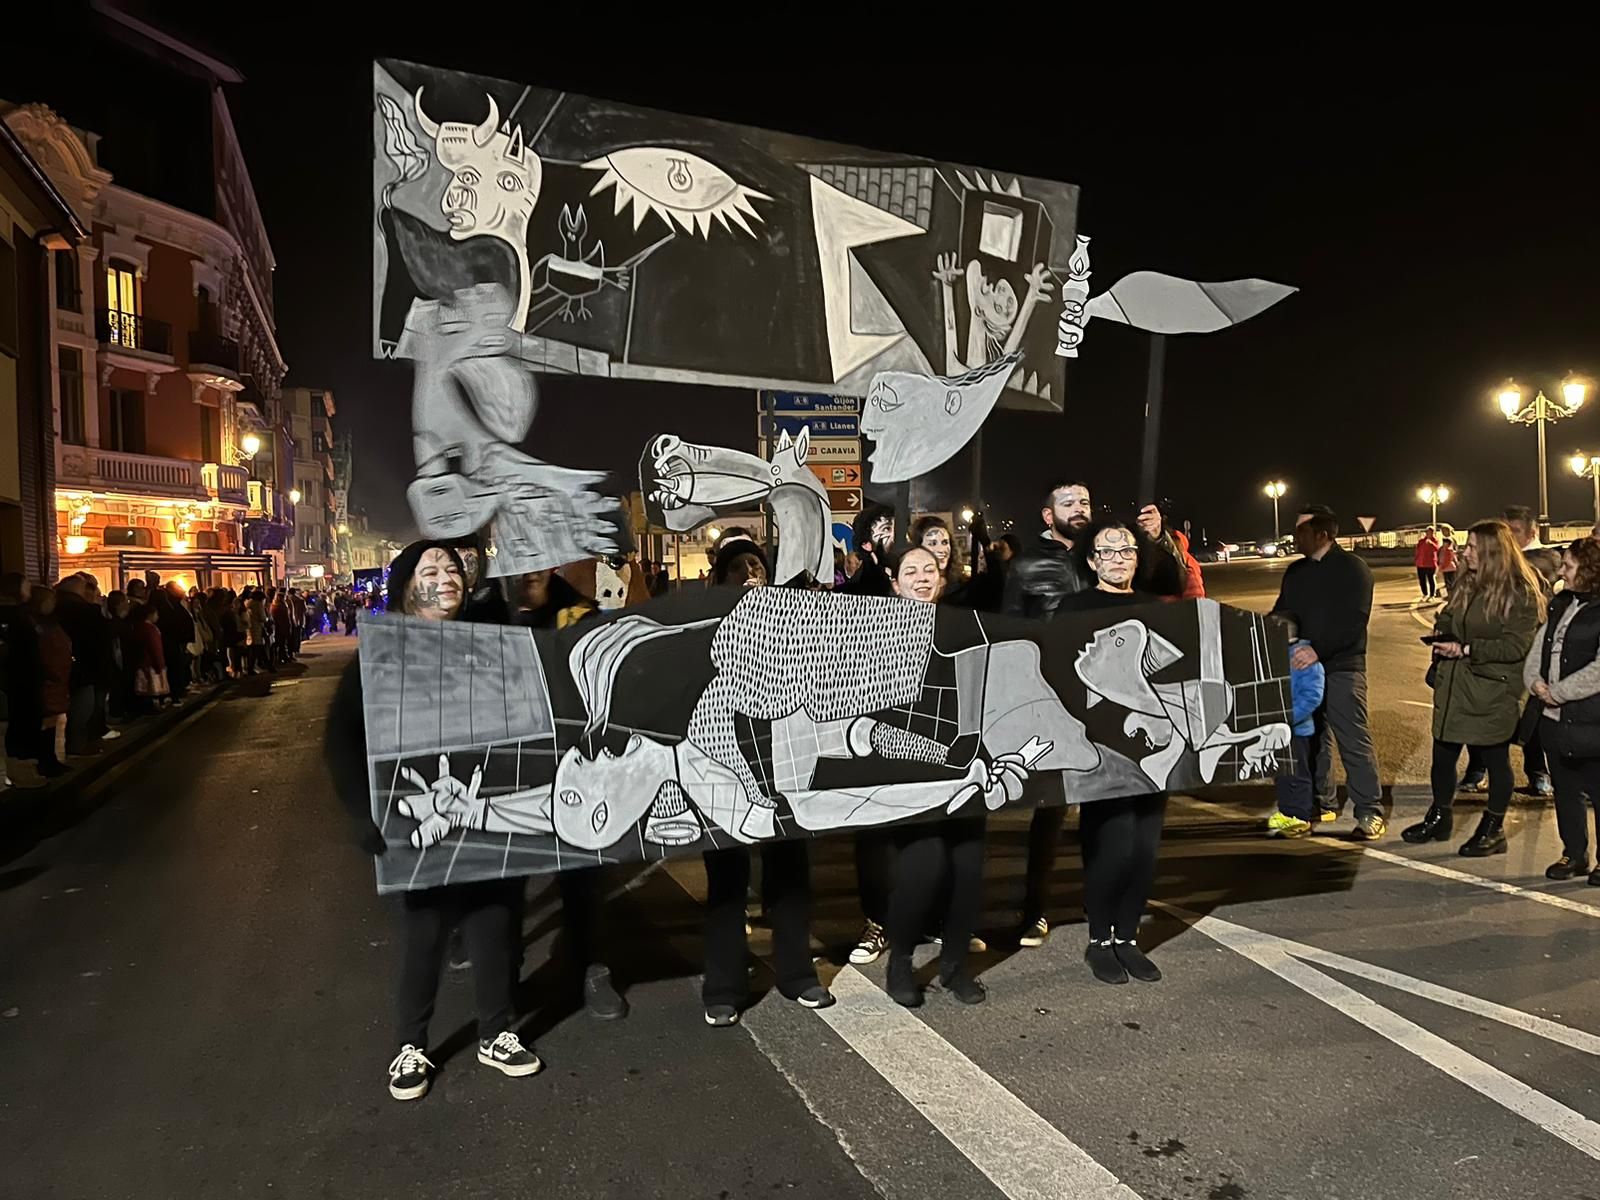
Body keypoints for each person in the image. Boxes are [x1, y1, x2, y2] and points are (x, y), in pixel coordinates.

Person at [325, 541, 540, 1102]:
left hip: (487, 815)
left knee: (494, 924)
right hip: (417, 824)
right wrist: (360, 809)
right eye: (430, 569)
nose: (446, 576)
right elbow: (342, 740)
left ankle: (497, 1031)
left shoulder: (491, 644)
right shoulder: (377, 655)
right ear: (403, 587)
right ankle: (410, 1043)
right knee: (425, 935)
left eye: (453, 568)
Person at [1008, 482, 1185, 944]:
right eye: (1068, 504)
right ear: (1049, 515)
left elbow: (1172, 582)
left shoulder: (1119, 557)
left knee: (1124, 827)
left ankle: (1108, 916)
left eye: (1085, 502)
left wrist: (1152, 537)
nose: (1079, 509)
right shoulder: (1029, 564)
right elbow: (1008, 627)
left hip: (1121, 717)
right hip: (1059, 704)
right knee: (1052, 816)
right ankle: (1035, 910)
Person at [700, 536, 833, 1025]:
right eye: (738, 566)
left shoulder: (792, 619)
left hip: (784, 765)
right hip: (724, 766)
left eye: (756, 563)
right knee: (727, 883)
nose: (750, 572)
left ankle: (797, 974)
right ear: (721, 577)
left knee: (791, 878)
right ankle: (724, 987)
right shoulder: (704, 622)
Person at [1054, 519, 1169, 984]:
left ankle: (1128, 937)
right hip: (1099, 745)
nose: (1118, 559)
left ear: (1137, 558)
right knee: (1110, 844)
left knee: (1145, 846)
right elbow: (1062, 674)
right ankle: (1100, 938)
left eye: (1126, 551)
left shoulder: (1156, 609)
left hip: (1153, 748)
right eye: (1108, 552)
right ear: (1091, 560)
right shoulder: (1073, 608)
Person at [878, 545, 989, 1007]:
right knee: (924, 868)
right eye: (911, 571)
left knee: (968, 868)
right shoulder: (876, 633)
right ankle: (900, 961)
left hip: (967, 770)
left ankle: (955, 965)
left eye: (930, 569)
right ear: (895, 582)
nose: (923, 577)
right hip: (909, 775)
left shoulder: (966, 627)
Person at [1402, 520, 1543, 856]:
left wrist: (1466, 649)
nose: (1465, 552)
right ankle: (1440, 817)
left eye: (1472, 548)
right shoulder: (1468, 582)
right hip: (1455, 685)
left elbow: (1515, 647)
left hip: (1492, 689)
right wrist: (1444, 630)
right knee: (1442, 755)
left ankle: (1493, 828)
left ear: (1494, 552)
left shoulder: (1519, 592)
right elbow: (1451, 617)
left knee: (1496, 760)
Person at [1271, 505, 1385, 839]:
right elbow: (1282, 613)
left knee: (1352, 740)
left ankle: (1369, 811)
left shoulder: (1353, 570)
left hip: (1340, 667)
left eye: (1302, 529)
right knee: (1309, 741)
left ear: (1324, 534)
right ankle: (1317, 805)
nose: (1295, 536)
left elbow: (1354, 622)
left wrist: (1317, 649)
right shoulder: (1295, 572)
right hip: (1300, 669)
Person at [1521, 538, 1600, 883]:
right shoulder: (1561, 602)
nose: (1562, 572)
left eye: (1568, 566)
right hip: (1553, 719)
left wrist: (1559, 692)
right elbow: (1539, 646)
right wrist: (1535, 684)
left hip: (1591, 719)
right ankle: (1574, 855)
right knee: (1566, 792)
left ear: (1590, 569)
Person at [1263, 616, 1327, 838]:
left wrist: (1288, 717)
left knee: (1298, 774)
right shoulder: (1275, 655)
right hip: (1277, 728)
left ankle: (1299, 816)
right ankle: (1287, 811)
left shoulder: (1304, 660)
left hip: (1296, 730)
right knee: (1281, 773)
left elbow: (1312, 696)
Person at [32, 587, 73, 771]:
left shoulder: (47, 623)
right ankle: (45, 761)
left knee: (51, 721)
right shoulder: (39, 625)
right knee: (46, 721)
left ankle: (49, 758)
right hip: (49, 679)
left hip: (56, 678)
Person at [840, 505, 895, 596]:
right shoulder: (856, 591)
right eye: (886, 529)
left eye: (900, 529)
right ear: (866, 545)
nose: (895, 535)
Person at [911, 514, 964, 596]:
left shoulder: (962, 585)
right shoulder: (910, 587)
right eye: (933, 543)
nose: (941, 549)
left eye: (945, 542)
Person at [130, 603, 170, 710]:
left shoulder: (137, 627)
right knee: (153, 687)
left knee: (144, 687)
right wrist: (160, 664)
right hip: (152, 663)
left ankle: (146, 706)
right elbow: (155, 647)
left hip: (142, 662)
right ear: (150, 615)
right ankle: (153, 706)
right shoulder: (151, 629)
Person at [1414, 527, 1439, 599]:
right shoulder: (1421, 541)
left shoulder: (1435, 541)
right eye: (1427, 532)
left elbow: (1437, 549)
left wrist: (1432, 544)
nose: (1429, 534)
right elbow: (1417, 550)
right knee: (1422, 580)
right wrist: (1416, 559)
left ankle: (1432, 594)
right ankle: (1425, 593)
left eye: (1430, 532)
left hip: (1430, 564)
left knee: (1431, 579)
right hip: (1421, 564)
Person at [1438, 532, 1459, 597]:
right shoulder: (1441, 550)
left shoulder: (1449, 551)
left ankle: (1452, 594)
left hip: (1450, 568)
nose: (1444, 544)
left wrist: (1442, 566)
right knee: (1447, 582)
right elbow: (1440, 558)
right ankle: (1450, 594)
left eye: (1445, 543)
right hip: (1445, 569)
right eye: (1443, 542)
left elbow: (1451, 559)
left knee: (1451, 582)